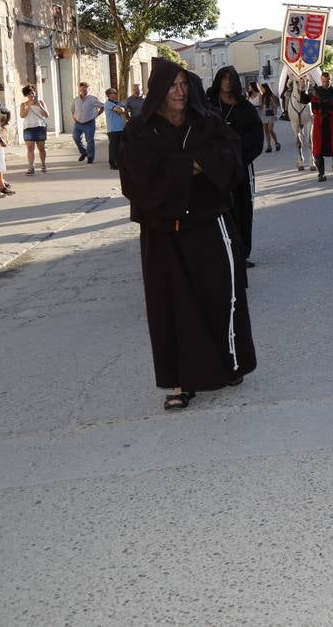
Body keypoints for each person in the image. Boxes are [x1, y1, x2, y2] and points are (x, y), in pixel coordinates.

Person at [120, 60, 256, 411]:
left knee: (221, 296)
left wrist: (179, 166)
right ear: (158, 90)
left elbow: (230, 159)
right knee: (171, 307)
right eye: (172, 85)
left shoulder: (207, 122)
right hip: (163, 231)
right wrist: (194, 165)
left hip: (209, 225)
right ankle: (180, 383)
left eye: (184, 84)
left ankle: (228, 364)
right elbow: (138, 178)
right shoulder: (140, 131)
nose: (180, 91)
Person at [208, 66, 264, 268]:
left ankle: (241, 253)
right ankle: (219, 252)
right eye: (223, 78)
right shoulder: (209, 106)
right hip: (214, 169)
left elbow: (257, 138)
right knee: (216, 211)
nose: (227, 82)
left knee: (242, 210)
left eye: (231, 78)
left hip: (239, 168)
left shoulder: (245, 108)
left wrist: (239, 158)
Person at [300, 71, 333, 181]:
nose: (325, 83)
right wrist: (302, 89)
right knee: (318, 149)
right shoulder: (316, 92)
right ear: (321, 80)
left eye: (327, 81)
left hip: (331, 123)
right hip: (319, 124)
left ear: (330, 80)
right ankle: (321, 174)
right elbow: (304, 100)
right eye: (323, 81)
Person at [20, 85, 50, 175]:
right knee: (30, 148)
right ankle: (31, 167)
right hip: (28, 128)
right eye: (29, 94)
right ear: (26, 95)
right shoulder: (23, 104)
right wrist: (28, 106)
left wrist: (40, 106)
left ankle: (43, 164)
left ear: (35, 93)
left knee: (41, 148)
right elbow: (22, 115)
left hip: (40, 127)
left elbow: (46, 115)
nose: (31, 95)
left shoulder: (40, 102)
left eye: (32, 93)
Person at [70, 83, 103, 164]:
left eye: (85, 89)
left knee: (90, 140)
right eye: (82, 89)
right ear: (79, 90)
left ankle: (90, 157)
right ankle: (84, 152)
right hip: (78, 123)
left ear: (88, 89)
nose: (83, 90)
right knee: (76, 138)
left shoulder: (93, 99)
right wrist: (74, 118)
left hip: (89, 123)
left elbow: (102, 106)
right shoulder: (76, 99)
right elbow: (72, 110)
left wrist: (96, 115)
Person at [104, 87, 127, 170]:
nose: (116, 94)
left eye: (116, 92)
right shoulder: (108, 104)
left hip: (120, 128)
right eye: (114, 93)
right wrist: (122, 109)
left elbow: (125, 107)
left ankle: (119, 162)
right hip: (113, 129)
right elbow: (120, 110)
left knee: (120, 147)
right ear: (109, 95)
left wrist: (123, 108)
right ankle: (112, 163)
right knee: (113, 147)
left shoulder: (116, 102)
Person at [259, 84, 281, 152]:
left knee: (270, 130)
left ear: (266, 88)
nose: (261, 89)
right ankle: (269, 146)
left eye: (262, 88)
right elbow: (261, 106)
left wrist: (275, 114)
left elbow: (275, 106)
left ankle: (277, 143)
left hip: (270, 114)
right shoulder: (262, 96)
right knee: (266, 131)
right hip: (264, 115)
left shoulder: (272, 96)